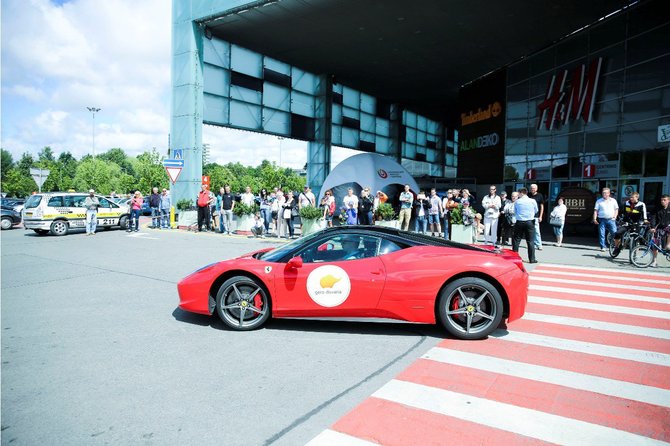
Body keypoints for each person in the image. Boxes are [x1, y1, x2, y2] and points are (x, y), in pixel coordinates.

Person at [512, 188, 538, 263]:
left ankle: (515, 258)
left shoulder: (517, 202)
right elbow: (536, 210)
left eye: (518, 193)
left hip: (519, 221)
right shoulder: (532, 201)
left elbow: (515, 211)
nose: (518, 195)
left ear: (521, 193)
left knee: (516, 240)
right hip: (529, 222)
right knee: (530, 241)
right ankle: (532, 259)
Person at [593, 187, 619, 252]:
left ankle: (616, 246)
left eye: (605, 193)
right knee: (602, 233)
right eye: (603, 193)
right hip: (602, 219)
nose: (604, 194)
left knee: (615, 233)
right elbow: (595, 211)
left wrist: (615, 217)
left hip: (611, 219)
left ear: (609, 193)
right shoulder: (599, 201)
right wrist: (594, 218)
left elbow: (616, 209)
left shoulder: (613, 200)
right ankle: (603, 247)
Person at [649, 194, 670, 267]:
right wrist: (652, 227)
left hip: (668, 227)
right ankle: (654, 261)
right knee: (655, 243)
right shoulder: (657, 208)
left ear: (668, 201)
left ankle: (668, 245)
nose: (662, 201)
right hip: (659, 227)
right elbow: (653, 219)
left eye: (664, 200)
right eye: (661, 200)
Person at [529, 184, 544, 250]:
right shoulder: (528, 195)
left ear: (536, 189)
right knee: (530, 231)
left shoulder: (539, 195)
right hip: (529, 216)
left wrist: (540, 216)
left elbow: (542, 206)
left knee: (537, 231)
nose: (533, 189)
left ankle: (539, 244)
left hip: (536, 216)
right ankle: (534, 244)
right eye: (532, 188)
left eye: (534, 188)